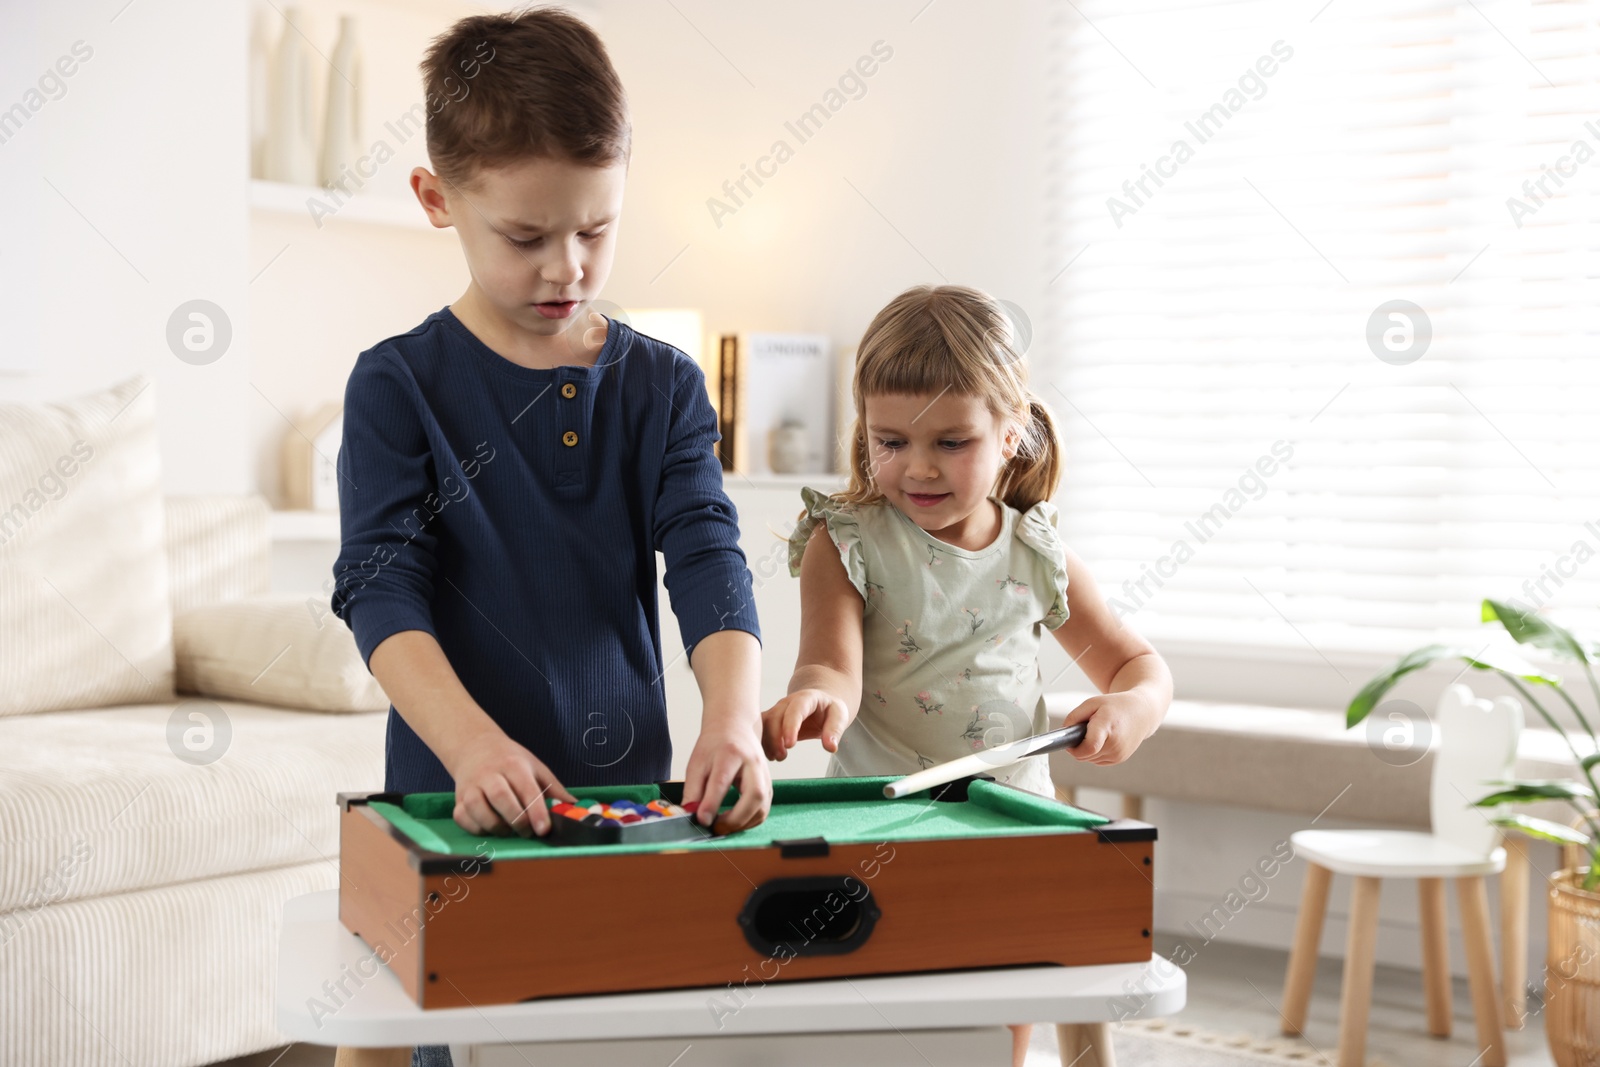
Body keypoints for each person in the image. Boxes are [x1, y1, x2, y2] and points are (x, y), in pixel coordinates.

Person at [329, 10, 770, 1067]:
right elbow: (382, 588)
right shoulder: (397, 385)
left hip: (629, 810)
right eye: (525, 236)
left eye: (595, 228)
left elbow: (706, 552)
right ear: (438, 200)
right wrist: (472, 743)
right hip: (451, 795)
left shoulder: (663, 383)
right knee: (405, 1028)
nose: (566, 266)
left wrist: (735, 716)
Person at [761, 283, 1172, 1067]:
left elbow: (1138, 664)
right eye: (890, 442)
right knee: (892, 1019)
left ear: (1011, 433)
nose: (917, 467)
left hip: (1007, 820)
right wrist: (815, 697)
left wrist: (1133, 707)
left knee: (1000, 1018)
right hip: (881, 823)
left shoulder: (1034, 551)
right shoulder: (845, 541)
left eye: (951, 442)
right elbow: (830, 665)